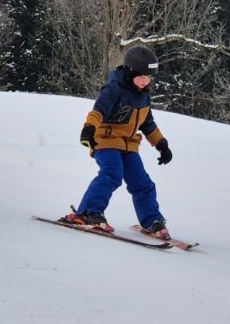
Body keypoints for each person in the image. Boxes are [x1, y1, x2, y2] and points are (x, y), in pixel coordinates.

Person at [62, 45, 173, 239]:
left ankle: (152, 221)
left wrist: (161, 144)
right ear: (130, 72)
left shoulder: (144, 95)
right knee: (112, 174)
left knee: (142, 182)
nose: (145, 82)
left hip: (128, 144)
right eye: (141, 77)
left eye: (149, 77)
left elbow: (148, 123)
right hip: (105, 139)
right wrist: (88, 129)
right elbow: (98, 111)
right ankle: (88, 212)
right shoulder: (114, 88)